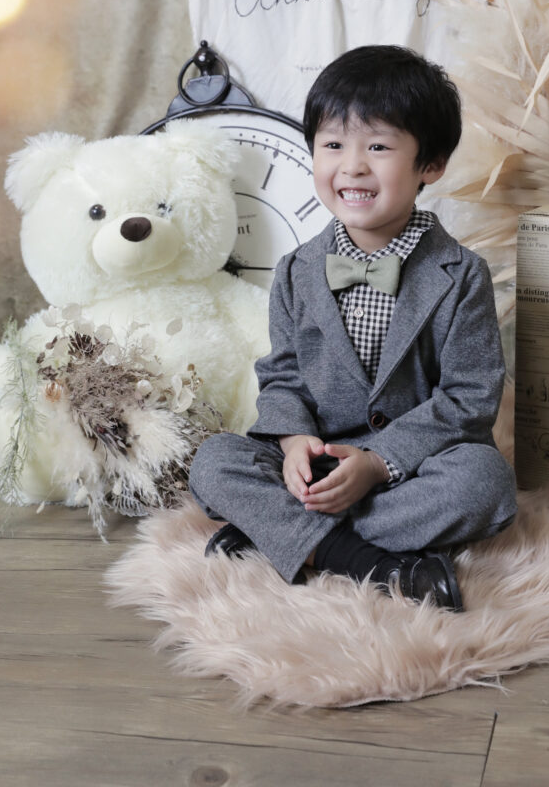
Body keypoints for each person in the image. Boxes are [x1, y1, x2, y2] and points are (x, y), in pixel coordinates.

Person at [188, 45, 517, 609]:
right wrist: (294, 442)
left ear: (431, 164)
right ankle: (370, 563)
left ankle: (284, 532)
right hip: (319, 458)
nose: (353, 166)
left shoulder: (461, 274)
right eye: (333, 145)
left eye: (379, 147)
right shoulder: (297, 270)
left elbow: (470, 398)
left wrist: (378, 463)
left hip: (413, 466)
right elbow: (284, 376)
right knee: (214, 461)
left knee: (484, 482)